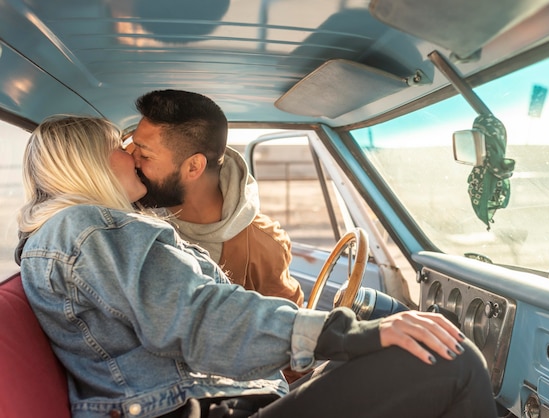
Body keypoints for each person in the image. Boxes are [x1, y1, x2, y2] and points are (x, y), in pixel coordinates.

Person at [16, 115, 498, 418]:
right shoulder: (88, 228)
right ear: (86, 164)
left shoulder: (73, 235)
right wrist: (342, 334)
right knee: (450, 358)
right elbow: (196, 317)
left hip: (227, 397)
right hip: (210, 409)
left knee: (426, 336)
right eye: (119, 148)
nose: (132, 157)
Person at [130, 89, 303, 306]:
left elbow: (284, 329)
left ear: (194, 167)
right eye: (132, 146)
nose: (132, 159)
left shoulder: (264, 245)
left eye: (145, 155)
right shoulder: (128, 214)